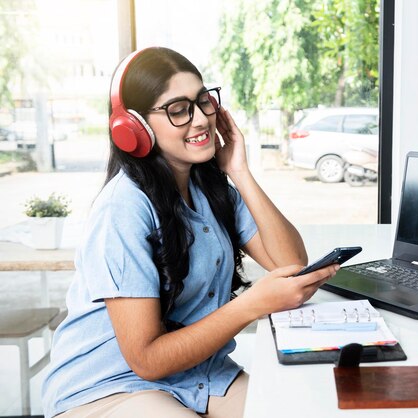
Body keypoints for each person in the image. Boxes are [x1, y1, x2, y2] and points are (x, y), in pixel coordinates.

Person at [41, 46, 338, 418]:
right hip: (110, 386)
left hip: (198, 374)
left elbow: (291, 263)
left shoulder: (212, 190)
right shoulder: (123, 208)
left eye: (203, 102)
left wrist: (240, 172)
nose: (200, 120)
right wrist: (251, 305)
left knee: (304, 410)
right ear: (134, 127)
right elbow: (147, 360)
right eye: (178, 110)